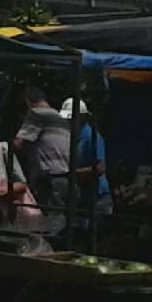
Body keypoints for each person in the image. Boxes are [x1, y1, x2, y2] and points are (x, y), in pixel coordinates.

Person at [13, 85, 73, 232]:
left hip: (48, 178)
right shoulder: (60, 118)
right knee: (60, 220)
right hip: (66, 177)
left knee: (47, 224)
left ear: (27, 102)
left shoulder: (37, 114)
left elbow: (18, 144)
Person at [61, 98, 112, 242]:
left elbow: (100, 167)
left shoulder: (92, 136)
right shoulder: (71, 137)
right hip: (81, 196)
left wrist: (74, 174)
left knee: (95, 238)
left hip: (97, 198)